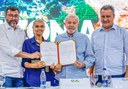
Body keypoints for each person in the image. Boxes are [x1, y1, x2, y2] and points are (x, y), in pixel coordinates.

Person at [0, 6, 40, 87]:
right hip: (6, 75)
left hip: (20, 75)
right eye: (10, 15)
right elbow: (9, 49)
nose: (13, 18)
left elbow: (24, 49)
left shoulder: (21, 32)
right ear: (5, 16)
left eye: (16, 16)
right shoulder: (1, 29)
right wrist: (31, 55)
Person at [54, 14, 95, 85]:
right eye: (69, 22)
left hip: (79, 78)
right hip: (61, 78)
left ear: (78, 24)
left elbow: (91, 57)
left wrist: (83, 64)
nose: (71, 25)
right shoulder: (58, 38)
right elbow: (55, 57)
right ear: (64, 24)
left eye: (74, 23)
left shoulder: (84, 38)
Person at [91, 5, 128, 78]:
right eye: (103, 16)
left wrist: (127, 75)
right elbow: (91, 55)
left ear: (113, 16)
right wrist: (91, 72)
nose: (105, 19)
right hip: (99, 75)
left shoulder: (123, 32)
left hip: (118, 75)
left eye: (108, 16)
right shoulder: (94, 34)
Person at [21, 19, 56, 87]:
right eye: (37, 26)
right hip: (32, 79)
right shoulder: (27, 43)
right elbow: (24, 63)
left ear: (44, 28)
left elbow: (54, 62)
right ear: (33, 28)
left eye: (42, 26)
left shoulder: (50, 44)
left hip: (48, 78)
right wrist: (34, 65)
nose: (39, 28)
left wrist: (54, 66)